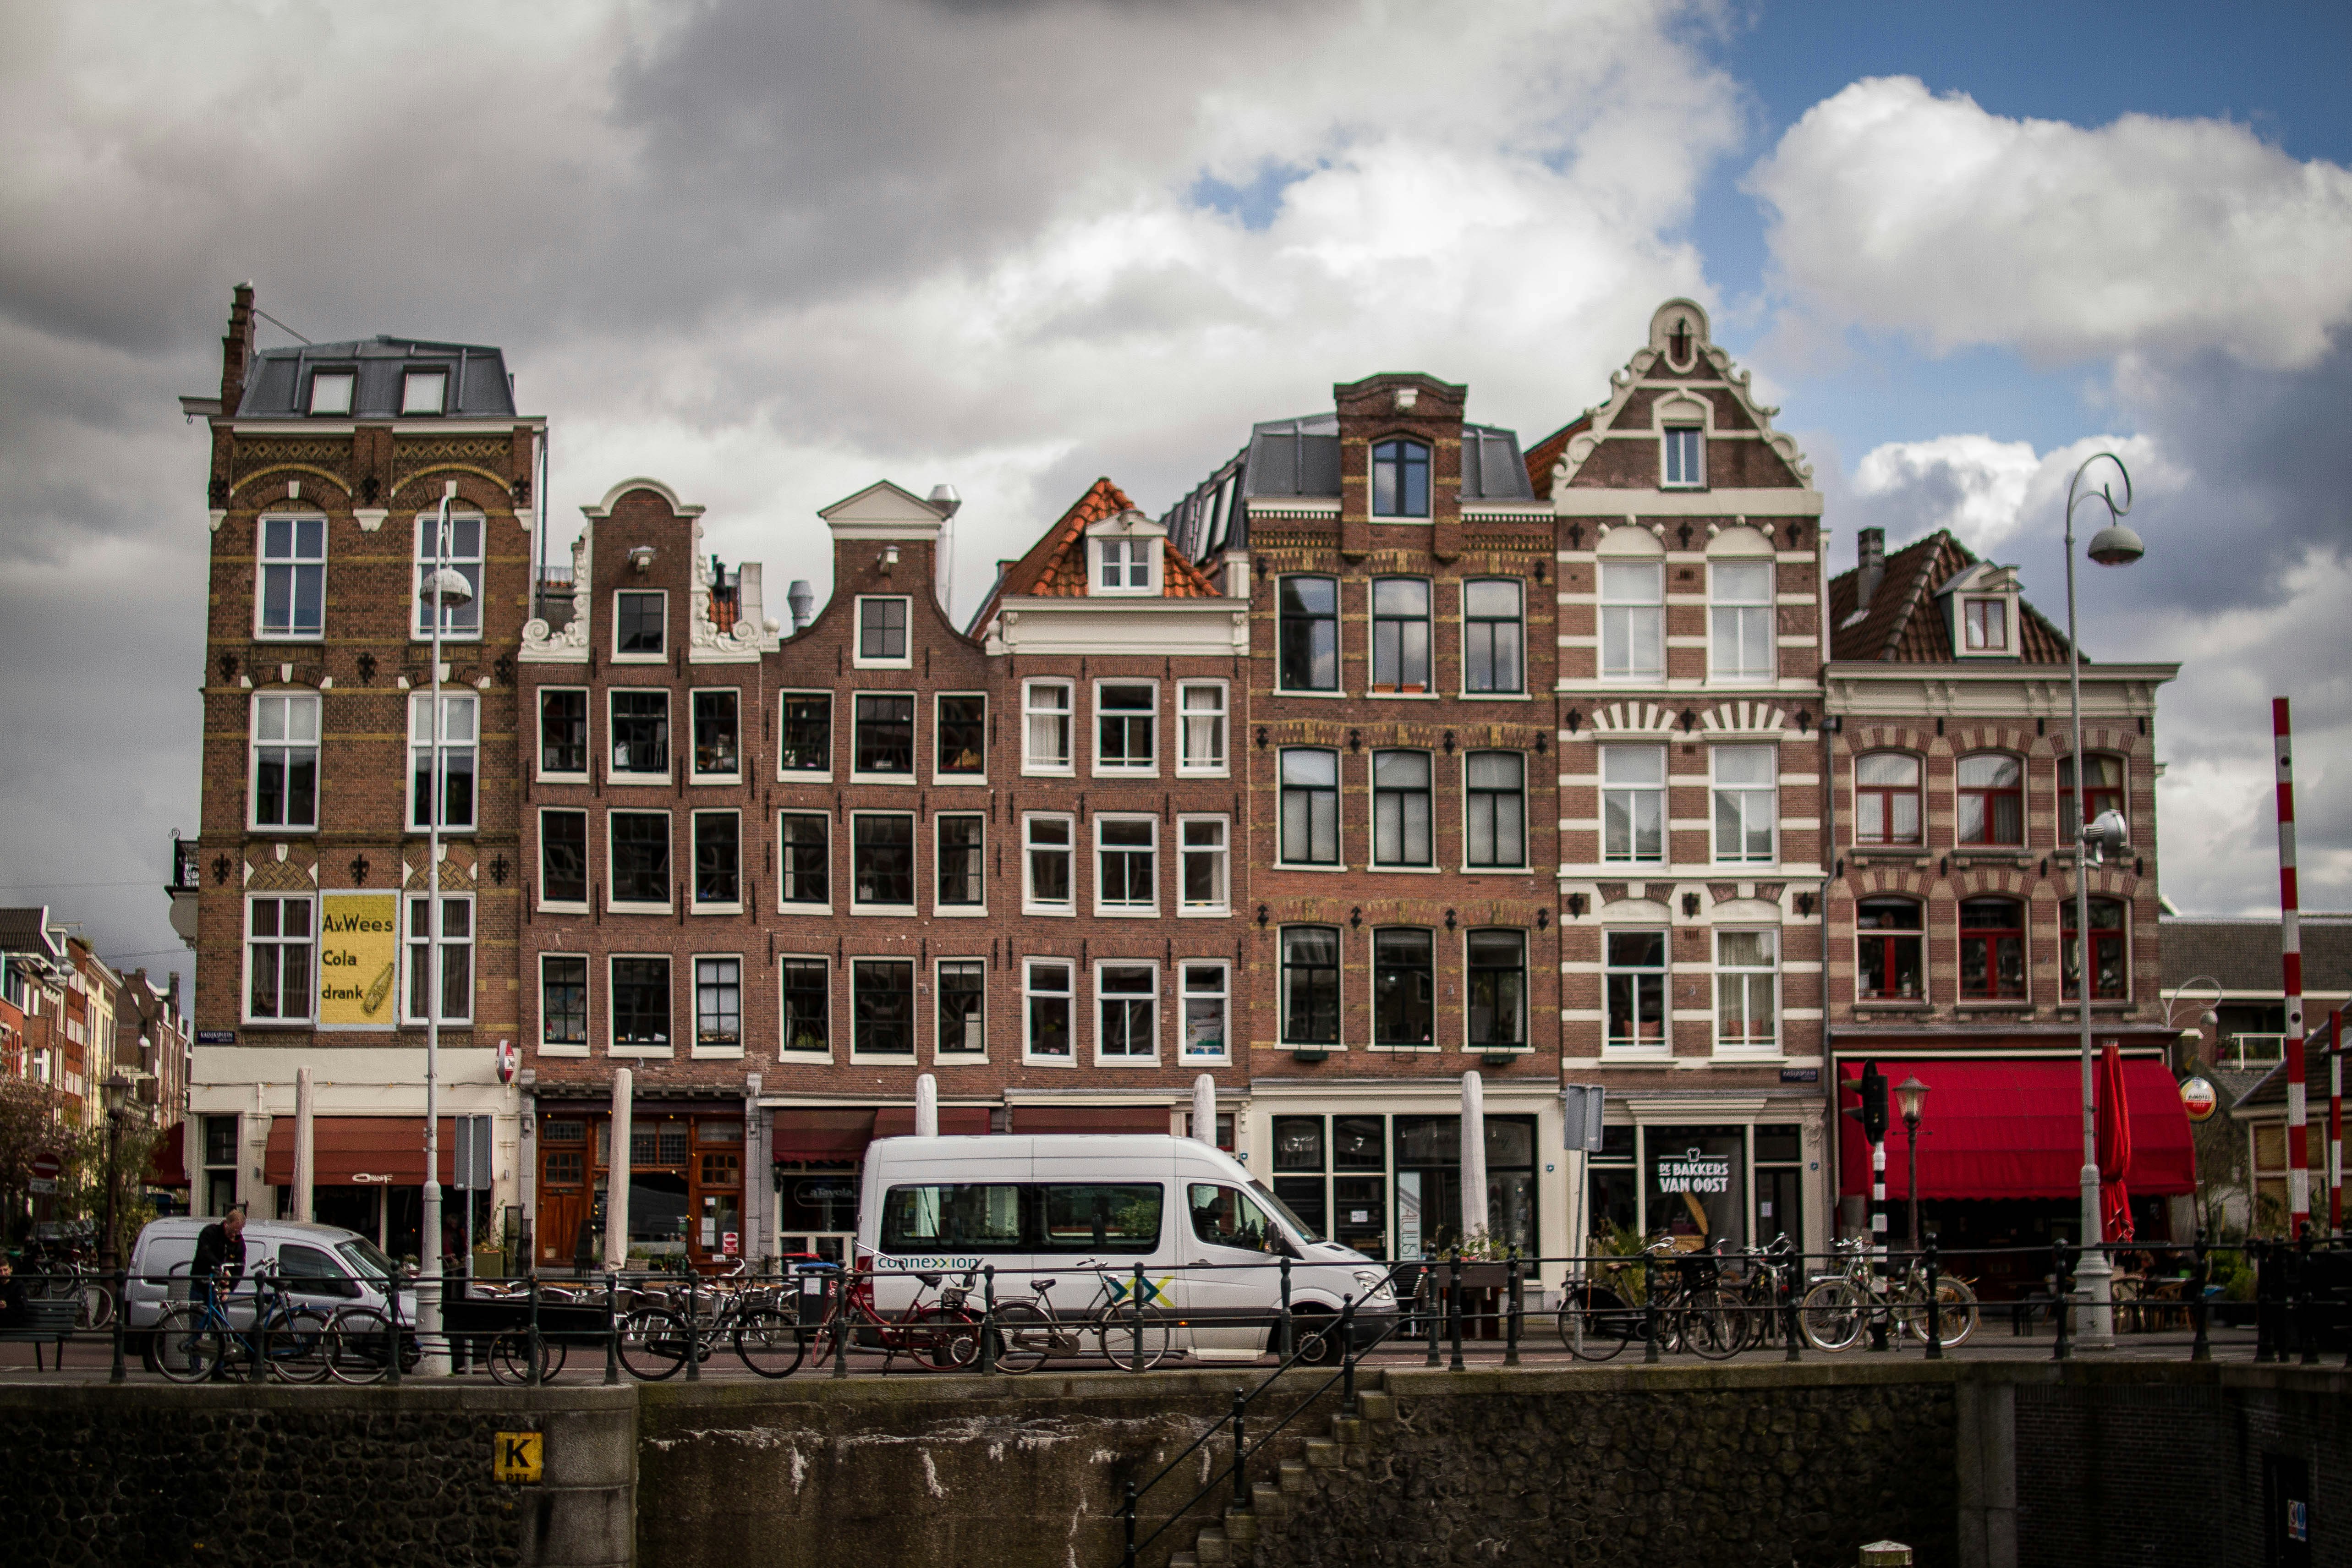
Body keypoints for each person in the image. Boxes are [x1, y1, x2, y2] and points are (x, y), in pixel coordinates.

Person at [190, 1206, 247, 1317]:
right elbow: (204, 1254)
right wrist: (221, 1267)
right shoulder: (210, 1232)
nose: (234, 1235)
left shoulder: (239, 1243)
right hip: (201, 1284)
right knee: (197, 1323)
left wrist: (229, 1289)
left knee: (220, 1326)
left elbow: (240, 1268)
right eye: (232, 1231)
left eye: (238, 1232)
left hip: (220, 1289)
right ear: (226, 1224)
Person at [0, 1257, 29, 1330]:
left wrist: (6, 1307)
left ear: (11, 1269)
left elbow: (22, 1306)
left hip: (12, 1319)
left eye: (5, 1270)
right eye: (0, 1271)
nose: (3, 1273)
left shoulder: (18, 1285)